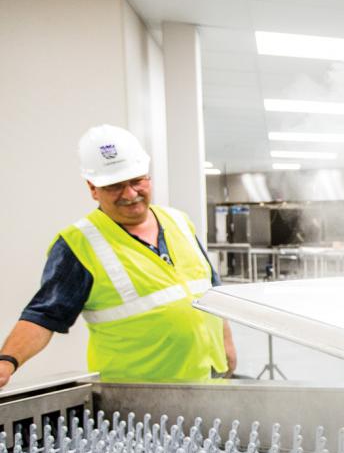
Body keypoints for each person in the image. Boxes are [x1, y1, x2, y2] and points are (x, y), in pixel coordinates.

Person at [0, 125, 236, 388]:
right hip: (138, 396)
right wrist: (7, 360)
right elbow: (44, 315)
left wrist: (226, 341)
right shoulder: (79, 244)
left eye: (137, 181)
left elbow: (209, 288)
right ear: (93, 188)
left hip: (208, 380)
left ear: (148, 177)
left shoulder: (178, 221)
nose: (130, 194)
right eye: (114, 186)